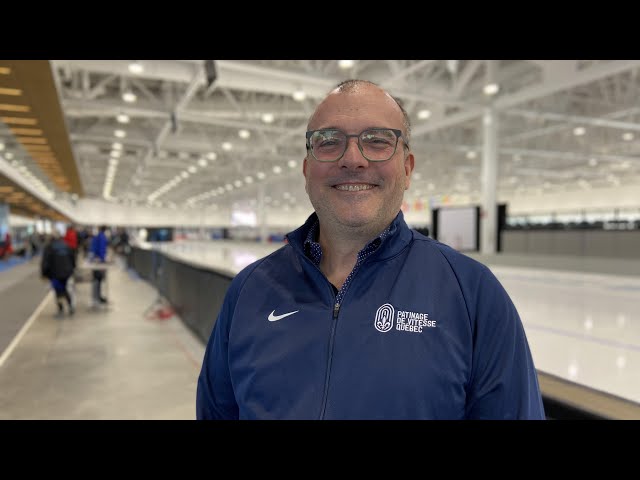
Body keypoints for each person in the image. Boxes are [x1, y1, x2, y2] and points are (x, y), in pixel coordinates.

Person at [196, 79, 545, 420]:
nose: (352, 159)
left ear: (407, 169)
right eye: (329, 141)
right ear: (306, 170)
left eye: (377, 141)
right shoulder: (249, 290)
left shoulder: (473, 294)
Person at [41, 232, 76, 317]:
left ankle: (61, 310)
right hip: (67, 273)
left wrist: (44, 273)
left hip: (55, 273)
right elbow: (73, 258)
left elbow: (45, 262)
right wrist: (72, 269)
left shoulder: (49, 247)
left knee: (58, 291)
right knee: (64, 289)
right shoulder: (66, 245)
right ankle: (70, 306)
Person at [89, 225, 109, 306]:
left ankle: (97, 297)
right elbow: (101, 249)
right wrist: (102, 260)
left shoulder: (97, 236)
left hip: (95, 260)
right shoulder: (102, 237)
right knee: (98, 279)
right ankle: (97, 297)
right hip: (98, 262)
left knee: (97, 280)